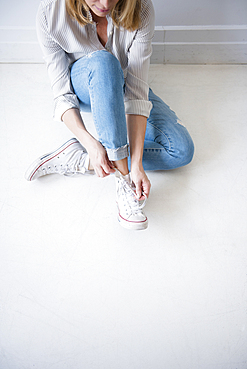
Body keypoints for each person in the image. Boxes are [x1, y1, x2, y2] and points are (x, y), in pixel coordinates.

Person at [25, 0, 194, 230]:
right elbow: (62, 95)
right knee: (104, 62)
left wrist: (137, 164)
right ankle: (122, 181)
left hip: (125, 84)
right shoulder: (50, 12)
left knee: (181, 150)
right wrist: (91, 142)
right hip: (87, 85)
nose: (105, 4)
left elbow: (136, 91)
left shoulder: (141, 8)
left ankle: (81, 159)